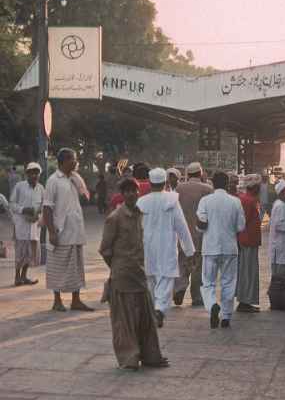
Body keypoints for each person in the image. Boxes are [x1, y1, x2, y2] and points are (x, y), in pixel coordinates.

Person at [99, 177, 169, 371]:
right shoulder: (114, 218)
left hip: (138, 274)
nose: (132, 194)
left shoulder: (139, 214)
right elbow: (105, 249)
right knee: (125, 321)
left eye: (134, 190)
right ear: (122, 194)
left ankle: (151, 356)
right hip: (122, 277)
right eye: (127, 191)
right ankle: (130, 358)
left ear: (139, 192)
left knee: (146, 319)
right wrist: (117, 267)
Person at [137, 167, 195, 328]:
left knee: (150, 278)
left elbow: (136, 227)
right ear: (165, 182)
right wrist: (189, 250)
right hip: (166, 244)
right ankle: (160, 309)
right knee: (166, 278)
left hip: (146, 245)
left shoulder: (141, 201)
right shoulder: (171, 200)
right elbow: (181, 227)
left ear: (150, 182)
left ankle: (152, 309)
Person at [42, 148, 93, 313]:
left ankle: (76, 300)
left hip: (76, 231)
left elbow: (84, 195)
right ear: (63, 161)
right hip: (60, 231)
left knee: (76, 268)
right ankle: (57, 301)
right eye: (73, 159)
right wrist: (51, 232)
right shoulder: (53, 181)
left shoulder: (74, 179)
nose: (75, 162)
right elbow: (47, 208)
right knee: (58, 267)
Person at [196, 171, 246, 329]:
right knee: (228, 282)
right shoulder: (235, 202)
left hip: (210, 247)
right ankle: (226, 316)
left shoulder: (205, 201)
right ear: (227, 184)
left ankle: (212, 306)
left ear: (212, 183)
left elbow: (201, 224)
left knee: (208, 282)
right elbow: (241, 226)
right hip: (230, 247)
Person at [174, 161, 212, 307]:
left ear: (187, 174)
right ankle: (197, 296)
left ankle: (179, 288)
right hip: (200, 233)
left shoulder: (178, 188)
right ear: (200, 173)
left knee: (182, 261)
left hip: (182, 232)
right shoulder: (208, 189)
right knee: (198, 265)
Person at [10, 162, 45, 287]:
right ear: (27, 174)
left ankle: (24, 276)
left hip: (34, 226)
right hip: (21, 225)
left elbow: (43, 206)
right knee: (20, 252)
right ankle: (17, 277)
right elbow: (12, 204)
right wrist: (23, 210)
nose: (34, 175)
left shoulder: (41, 188)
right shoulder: (19, 186)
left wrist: (38, 215)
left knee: (30, 252)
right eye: (32, 173)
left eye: (36, 173)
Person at [236, 174, 262, 313]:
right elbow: (242, 222)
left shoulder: (248, 199)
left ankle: (245, 300)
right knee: (247, 272)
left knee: (248, 272)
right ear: (255, 188)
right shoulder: (248, 201)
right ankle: (244, 301)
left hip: (249, 240)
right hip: (247, 241)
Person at [269, 179, 285, 276]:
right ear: (283, 192)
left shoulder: (282, 204)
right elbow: (279, 225)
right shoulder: (280, 206)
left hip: (284, 246)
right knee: (281, 277)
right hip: (280, 247)